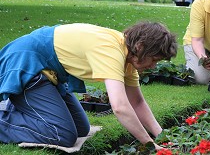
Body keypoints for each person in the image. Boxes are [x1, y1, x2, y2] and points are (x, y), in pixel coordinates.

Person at [0, 22, 177, 150]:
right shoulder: (111, 51)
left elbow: (137, 102)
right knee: (62, 135)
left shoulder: (128, 58)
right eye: (154, 59)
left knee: (81, 129)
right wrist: (150, 144)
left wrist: (163, 138)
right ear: (140, 46)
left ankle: (27, 108)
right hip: (29, 65)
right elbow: (120, 107)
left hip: (50, 73)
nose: (154, 66)